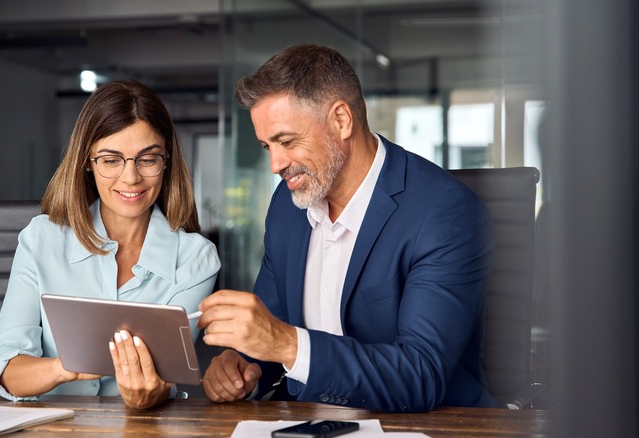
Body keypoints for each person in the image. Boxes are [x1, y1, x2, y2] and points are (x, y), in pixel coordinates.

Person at [197, 44, 495, 412]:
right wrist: (242, 366)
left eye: (287, 141)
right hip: (304, 420)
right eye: (266, 146)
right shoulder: (287, 207)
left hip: (422, 426)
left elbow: (421, 375)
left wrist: (287, 345)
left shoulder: (444, 213)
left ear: (341, 119)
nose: (275, 164)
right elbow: (273, 328)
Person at [0, 80, 220, 409]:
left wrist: (150, 393)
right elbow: (3, 366)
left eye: (147, 159)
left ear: (167, 161)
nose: (131, 177)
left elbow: (167, 376)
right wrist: (66, 367)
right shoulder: (41, 240)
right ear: (87, 163)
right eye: (111, 160)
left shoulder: (196, 259)